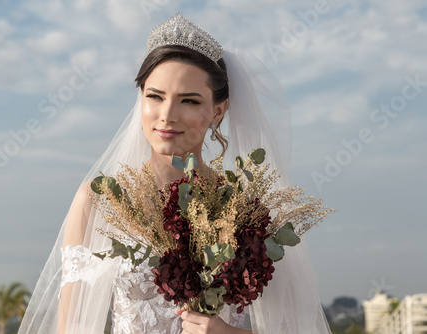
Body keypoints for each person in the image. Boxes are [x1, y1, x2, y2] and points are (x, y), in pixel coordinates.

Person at [18, 12, 331, 334]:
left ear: (217, 111)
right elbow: (74, 325)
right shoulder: (100, 200)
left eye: (189, 101)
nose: (167, 115)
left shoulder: (245, 209)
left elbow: (299, 327)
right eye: (155, 96)